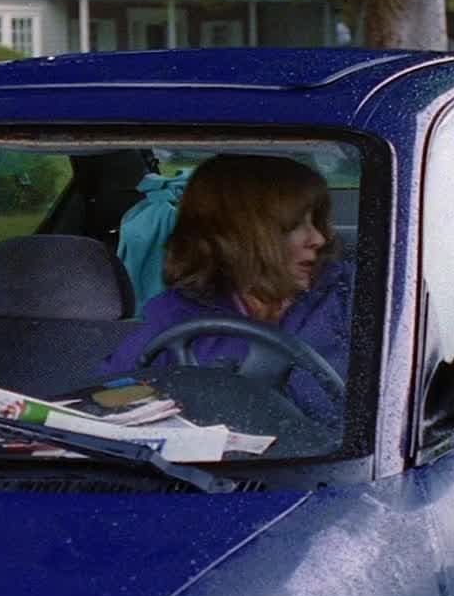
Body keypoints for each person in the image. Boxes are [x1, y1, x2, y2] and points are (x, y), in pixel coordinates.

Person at [99, 154, 352, 426]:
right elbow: (105, 406)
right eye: (295, 225)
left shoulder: (352, 298)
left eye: (317, 222)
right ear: (239, 235)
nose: (319, 239)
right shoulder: (176, 313)